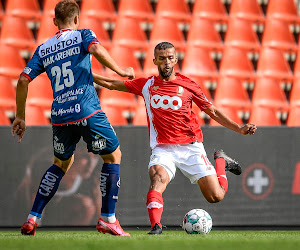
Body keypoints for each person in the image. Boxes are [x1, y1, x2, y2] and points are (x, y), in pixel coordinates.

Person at [92, 42, 257, 235]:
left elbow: (212, 111)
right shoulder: (147, 85)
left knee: (216, 196)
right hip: (163, 149)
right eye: (161, 58)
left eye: (170, 57)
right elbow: (111, 84)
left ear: (176, 60)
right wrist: (85, 73)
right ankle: (156, 226)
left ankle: (220, 162)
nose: (166, 62)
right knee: (157, 179)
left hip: (191, 147)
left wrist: (239, 128)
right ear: (154, 61)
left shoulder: (189, 85)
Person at [11, 0, 134, 237]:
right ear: (77, 19)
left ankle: (33, 218)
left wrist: (20, 116)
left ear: (54, 21)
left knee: (60, 164)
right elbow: (97, 50)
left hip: (59, 115)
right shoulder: (82, 35)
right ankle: (108, 218)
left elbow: (23, 80)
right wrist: (121, 71)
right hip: (87, 110)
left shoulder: (43, 48)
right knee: (113, 156)